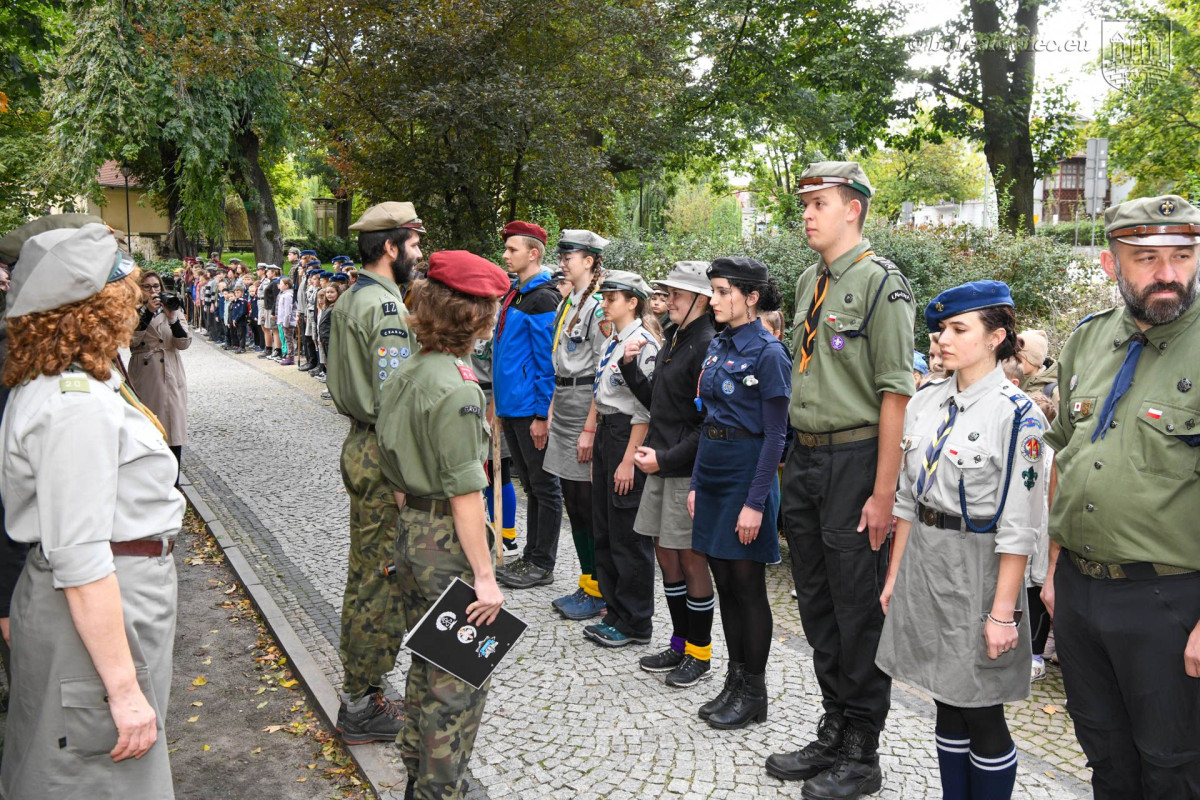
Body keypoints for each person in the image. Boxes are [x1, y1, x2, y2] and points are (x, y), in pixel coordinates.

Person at [0, 221, 185, 799]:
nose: (135, 311)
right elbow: (80, 558)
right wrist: (124, 690)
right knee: (95, 773)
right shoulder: (72, 403)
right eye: (126, 298)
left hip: (116, 596)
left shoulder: (71, 383)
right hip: (103, 602)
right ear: (96, 308)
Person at [1042, 195, 1200, 798]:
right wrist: (1056, 570)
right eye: (1147, 258)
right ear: (1112, 265)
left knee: (1173, 765)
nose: (1168, 273)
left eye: (1182, 256)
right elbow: (1065, 453)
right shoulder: (1087, 342)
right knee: (1104, 754)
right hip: (1081, 594)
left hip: (1170, 600)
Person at [767, 161, 916, 800]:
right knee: (817, 599)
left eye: (819, 202)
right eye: (805, 203)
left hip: (855, 461)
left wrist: (883, 494)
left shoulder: (884, 285)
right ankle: (833, 725)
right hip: (804, 459)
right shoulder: (811, 280)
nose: (807, 213)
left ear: (852, 208)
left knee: (857, 608)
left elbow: (894, 395)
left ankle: (864, 746)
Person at [876, 281, 1046, 800]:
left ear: (996, 337)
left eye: (958, 329)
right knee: (945, 698)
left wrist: (1002, 614)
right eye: (941, 329)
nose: (943, 339)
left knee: (980, 706)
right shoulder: (926, 401)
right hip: (925, 559)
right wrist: (894, 576)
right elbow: (908, 499)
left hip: (979, 568)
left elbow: (1021, 526)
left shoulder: (1019, 416)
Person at [374, 250, 510, 800]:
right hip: (446, 546)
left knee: (428, 662)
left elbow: (394, 465)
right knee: (457, 680)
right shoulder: (457, 388)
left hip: (410, 530)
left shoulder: (409, 369)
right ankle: (439, 789)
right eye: (490, 307)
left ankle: (418, 771)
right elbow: (465, 493)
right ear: (472, 316)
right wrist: (485, 576)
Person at [325, 201, 425, 744]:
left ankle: (366, 685)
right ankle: (361, 702)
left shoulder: (354, 297)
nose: (418, 253)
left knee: (371, 568)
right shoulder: (385, 309)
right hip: (383, 451)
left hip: (364, 445)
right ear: (390, 246)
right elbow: (391, 400)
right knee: (378, 576)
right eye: (412, 243)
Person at [685, 257, 789, 728]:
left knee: (747, 589)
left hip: (748, 475)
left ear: (751, 297)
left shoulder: (769, 353)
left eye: (723, 291)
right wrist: (695, 483)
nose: (714, 299)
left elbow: (775, 436)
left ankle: (754, 691)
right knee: (725, 584)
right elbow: (707, 421)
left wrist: (754, 503)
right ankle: (734, 679)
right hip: (713, 472)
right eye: (713, 291)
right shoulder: (719, 344)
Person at [625, 262, 717, 687]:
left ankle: (700, 652)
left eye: (678, 293)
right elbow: (659, 403)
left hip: (681, 467)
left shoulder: (707, 344)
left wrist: (665, 460)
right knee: (666, 554)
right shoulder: (676, 337)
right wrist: (629, 370)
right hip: (661, 462)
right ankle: (680, 642)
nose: (668, 300)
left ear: (701, 299)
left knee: (690, 558)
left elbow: (708, 425)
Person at [581, 270, 660, 647]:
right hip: (608, 434)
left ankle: (637, 621)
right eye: (605, 296)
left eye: (613, 297)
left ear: (633, 302)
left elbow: (646, 409)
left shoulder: (642, 343)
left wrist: (628, 460)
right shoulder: (613, 340)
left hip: (627, 436)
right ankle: (615, 611)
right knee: (606, 528)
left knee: (628, 533)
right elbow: (602, 396)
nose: (606, 303)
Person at [492, 221, 563, 590]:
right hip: (512, 407)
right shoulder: (515, 293)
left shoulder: (543, 298)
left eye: (512, 250)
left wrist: (541, 414)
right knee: (532, 488)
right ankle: (531, 556)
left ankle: (542, 563)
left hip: (529, 410)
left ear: (533, 254)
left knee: (545, 487)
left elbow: (545, 362)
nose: (505, 255)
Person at [543, 229, 610, 619]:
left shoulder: (598, 307)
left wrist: (590, 427)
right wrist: (553, 404)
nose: (564, 260)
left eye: (573, 255)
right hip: (565, 400)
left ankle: (598, 588)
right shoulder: (569, 300)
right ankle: (587, 580)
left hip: (586, 403)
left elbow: (603, 370)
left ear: (589, 260)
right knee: (573, 500)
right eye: (563, 254)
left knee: (586, 504)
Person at [129, 268, 192, 478]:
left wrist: (173, 317)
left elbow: (183, 343)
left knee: (174, 425)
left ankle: (174, 481)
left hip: (171, 371)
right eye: (147, 287)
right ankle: (150, 480)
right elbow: (130, 341)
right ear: (139, 289)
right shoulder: (133, 310)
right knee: (149, 424)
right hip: (147, 371)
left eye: (156, 286)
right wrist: (147, 312)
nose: (153, 291)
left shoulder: (172, 308)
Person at [1014, 329, 1058, 401]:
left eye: (1019, 358)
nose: (1014, 361)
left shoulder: (1052, 391)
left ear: (1033, 359)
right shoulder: (1010, 382)